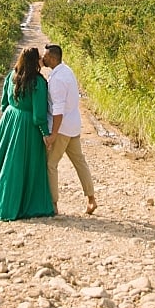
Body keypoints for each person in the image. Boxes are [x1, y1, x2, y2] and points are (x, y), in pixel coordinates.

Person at [0, 47, 57, 221]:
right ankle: (15, 204)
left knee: (2, 163)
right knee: (20, 166)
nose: (41, 60)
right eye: (39, 58)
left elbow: (3, 104)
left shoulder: (12, 76)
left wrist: (10, 117)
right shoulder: (38, 82)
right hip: (26, 126)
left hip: (9, 120)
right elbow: (38, 115)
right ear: (35, 61)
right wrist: (46, 134)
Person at [43, 44, 97, 215]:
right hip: (73, 126)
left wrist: (53, 134)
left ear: (52, 58)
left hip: (62, 128)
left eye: (45, 56)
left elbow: (58, 111)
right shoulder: (67, 71)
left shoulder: (57, 79)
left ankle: (53, 204)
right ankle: (91, 199)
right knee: (80, 162)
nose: (43, 59)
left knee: (51, 165)